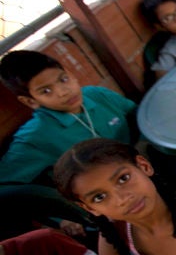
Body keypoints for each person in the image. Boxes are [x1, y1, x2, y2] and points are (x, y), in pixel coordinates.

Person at [0, 50, 136, 185]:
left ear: (70, 73)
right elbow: (6, 183)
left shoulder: (98, 95)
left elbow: (141, 117)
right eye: (46, 91)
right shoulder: (35, 137)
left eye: (63, 79)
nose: (64, 91)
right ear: (31, 101)